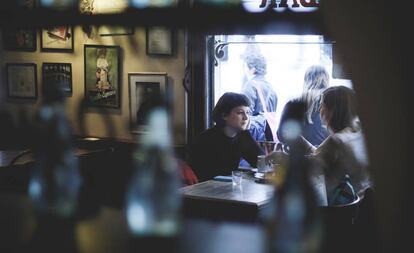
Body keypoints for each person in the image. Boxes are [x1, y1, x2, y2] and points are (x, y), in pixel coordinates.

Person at [269, 86, 372, 205]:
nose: (319, 109)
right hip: (364, 205)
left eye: (322, 105)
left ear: (332, 111)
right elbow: (323, 156)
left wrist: (282, 156)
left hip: (341, 213)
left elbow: (306, 167)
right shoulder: (357, 132)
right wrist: (302, 141)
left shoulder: (337, 141)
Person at [189, 92, 262, 182]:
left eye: (247, 112)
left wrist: (272, 158)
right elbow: (203, 177)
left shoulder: (243, 136)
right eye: (240, 113)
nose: (246, 118)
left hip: (229, 188)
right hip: (205, 191)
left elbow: (260, 163)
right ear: (224, 115)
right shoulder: (205, 140)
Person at [277, 65, 329, 147]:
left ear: (306, 80)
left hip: (298, 154)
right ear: (326, 80)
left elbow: (281, 135)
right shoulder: (331, 103)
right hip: (325, 154)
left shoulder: (294, 103)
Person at [241, 53, 278, 142]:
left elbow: (246, 112)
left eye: (246, 67)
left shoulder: (250, 86)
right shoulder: (270, 87)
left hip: (257, 134)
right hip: (270, 132)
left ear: (252, 69)